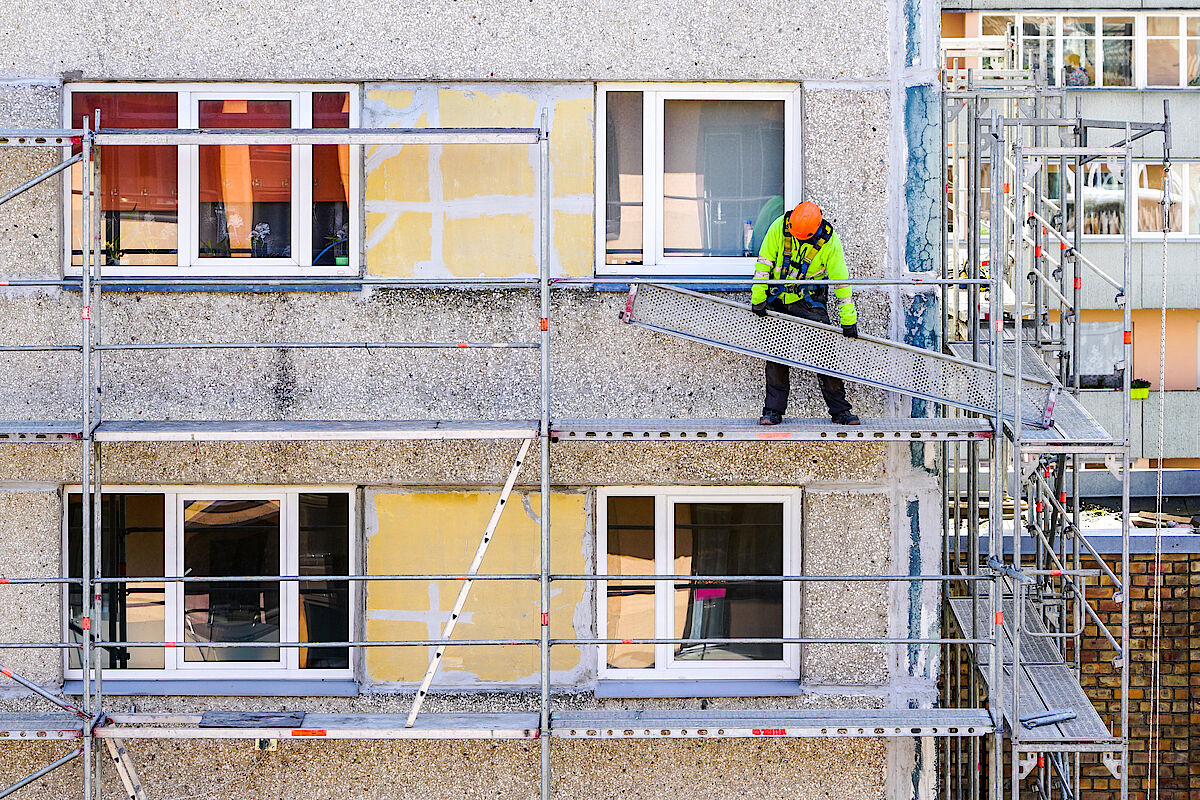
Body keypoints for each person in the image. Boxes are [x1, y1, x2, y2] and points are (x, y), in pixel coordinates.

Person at [751, 200, 860, 426]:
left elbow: (841, 282)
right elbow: (764, 264)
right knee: (775, 358)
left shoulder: (830, 241)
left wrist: (848, 319)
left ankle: (840, 411)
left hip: (809, 303)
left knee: (825, 356)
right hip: (778, 299)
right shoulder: (780, 227)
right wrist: (758, 299)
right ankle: (772, 411)